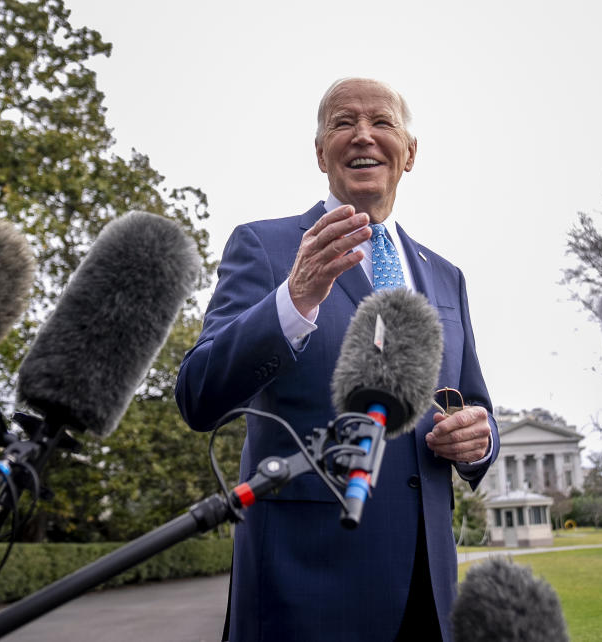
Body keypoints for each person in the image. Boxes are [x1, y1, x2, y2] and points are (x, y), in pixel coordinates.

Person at [175, 78, 499, 642]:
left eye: (382, 123)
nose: (363, 136)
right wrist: (293, 299)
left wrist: (481, 438)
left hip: (430, 595)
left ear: (411, 153)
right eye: (343, 122)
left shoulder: (447, 277)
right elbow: (198, 395)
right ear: (320, 151)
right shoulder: (266, 247)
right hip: (303, 592)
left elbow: (472, 404)